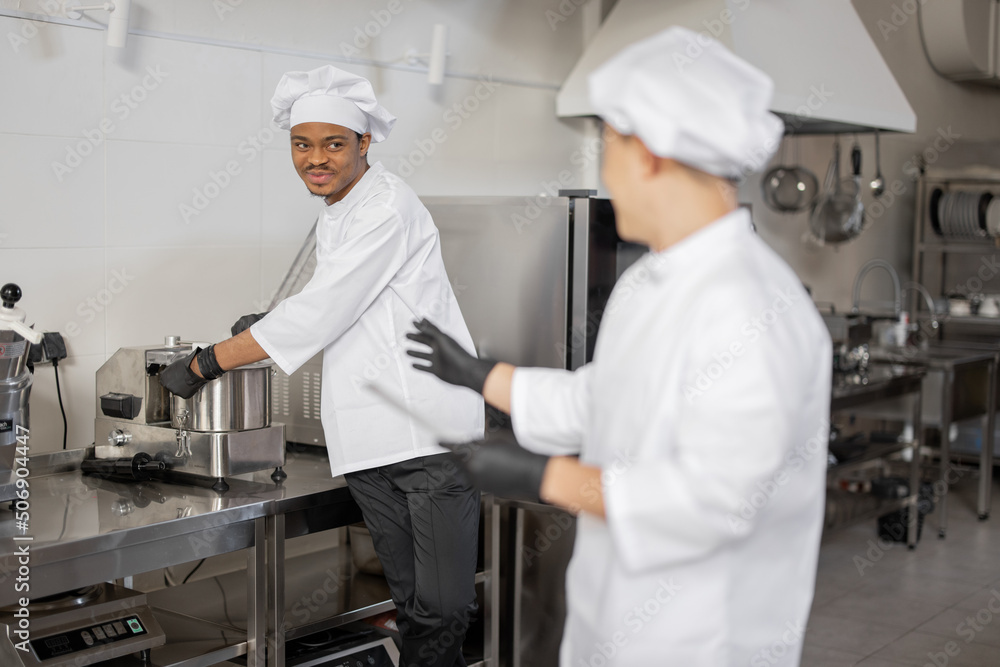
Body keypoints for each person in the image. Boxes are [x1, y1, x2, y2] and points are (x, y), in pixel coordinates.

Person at [405, 27, 831, 667]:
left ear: (650, 155)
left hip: (705, 640)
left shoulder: (750, 306)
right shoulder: (650, 281)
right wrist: (481, 375)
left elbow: (715, 501)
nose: (605, 170)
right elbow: (602, 399)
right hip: (612, 625)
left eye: (608, 145)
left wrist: (541, 475)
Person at [160, 64, 484, 667]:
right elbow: (346, 297)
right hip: (368, 435)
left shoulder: (386, 205)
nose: (316, 158)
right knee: (414, 602)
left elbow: (325, 310)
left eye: (334, 144)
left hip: (430, 434)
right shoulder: (339, 208)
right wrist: (275, 316)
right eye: (302, 144)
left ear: (365, 143)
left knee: (443, 607)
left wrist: (206, 363)